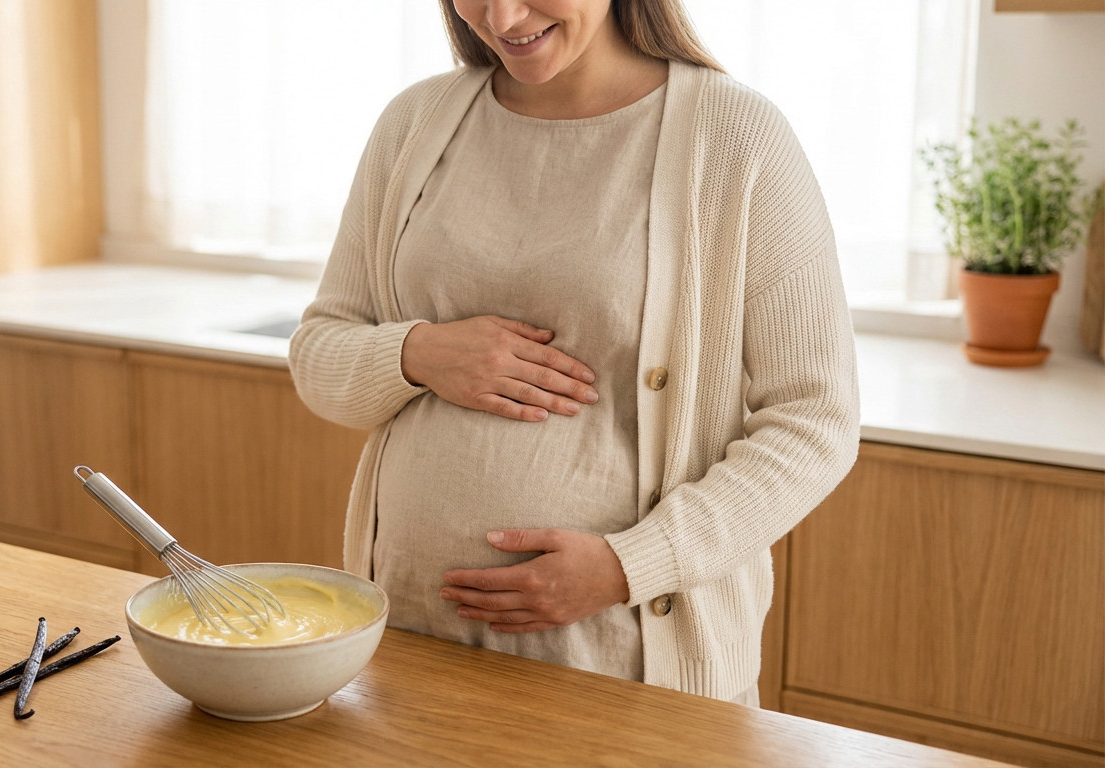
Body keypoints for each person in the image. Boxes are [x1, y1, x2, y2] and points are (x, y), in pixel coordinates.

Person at [288, 0, 859, 706]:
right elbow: (318, 354)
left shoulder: (736, 137)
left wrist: (630, 567)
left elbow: (816, 421)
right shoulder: (415, 123)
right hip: (411, 636)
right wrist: (418, 353)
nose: (500, 15)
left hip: (622, 660)